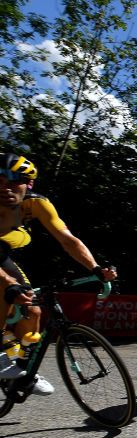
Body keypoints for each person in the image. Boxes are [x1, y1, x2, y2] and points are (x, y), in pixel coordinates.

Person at [0, 153, 117, 393]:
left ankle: (20, 369)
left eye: (14, 181)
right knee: (6, 288)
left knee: (32, 309)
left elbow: (68, 240)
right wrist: (8, 284)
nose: (5, 188)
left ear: (28, 184)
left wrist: (95, 269)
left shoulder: (37, 203)